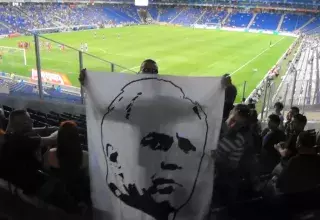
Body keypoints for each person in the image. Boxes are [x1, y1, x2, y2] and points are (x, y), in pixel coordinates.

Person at [0, 110, 58, 194]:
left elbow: (25, 129)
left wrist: (47, 129)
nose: (32, 120)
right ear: (25, 125)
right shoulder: (26, 141)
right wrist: (62, 128)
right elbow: (52, 139)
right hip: (29, 184)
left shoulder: (8, 136)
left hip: (12, 178)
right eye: (29, 119)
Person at [213, 104, 250, 205]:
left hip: (213, 181)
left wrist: (218, 159)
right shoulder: (212, 124)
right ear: (230, 113)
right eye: (233, 120)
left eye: (238, 124)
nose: (233, 126)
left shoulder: (238, 141)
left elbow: (232, 166)